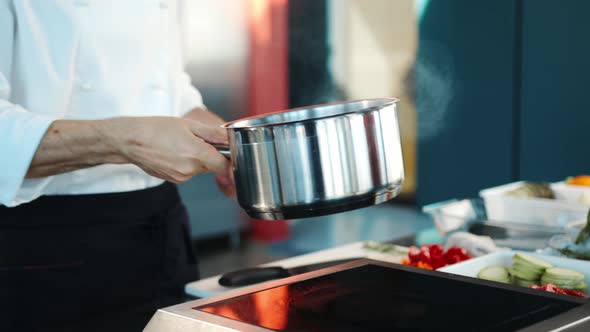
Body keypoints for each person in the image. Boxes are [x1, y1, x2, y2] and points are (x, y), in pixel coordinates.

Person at [0, 1, 235, 331]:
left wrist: (221, 137)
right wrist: (123, 141)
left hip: (162, 225)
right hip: (48, 244)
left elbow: (169, 80)